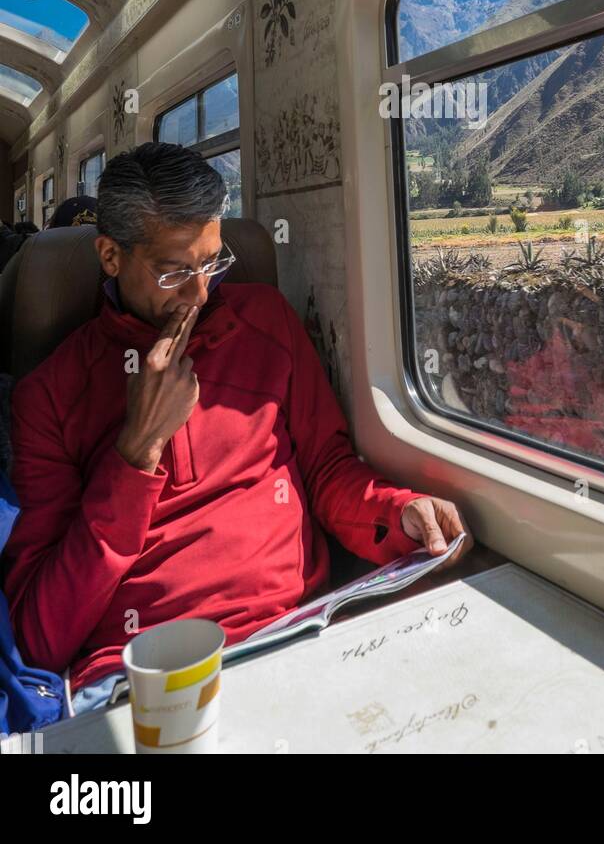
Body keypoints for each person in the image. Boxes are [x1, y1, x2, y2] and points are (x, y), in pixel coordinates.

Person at [1, 143, 472, 715]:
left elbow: (327, 471)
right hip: (142, 672)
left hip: (294, 627)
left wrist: (397, 512)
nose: (200, 293)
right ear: (110, 257)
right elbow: (39, 633)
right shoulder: (48, 396)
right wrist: (136, 452)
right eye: (175, 270)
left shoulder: (266, 321)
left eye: (213, 262)